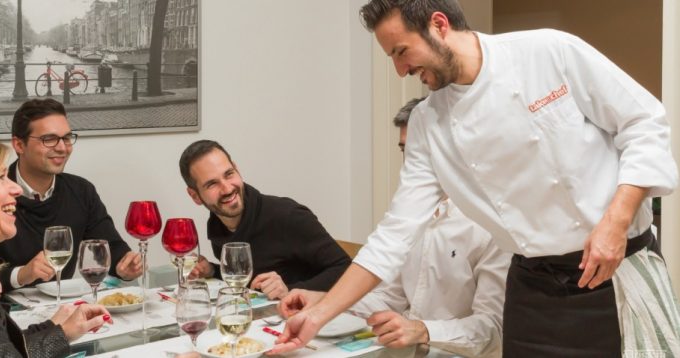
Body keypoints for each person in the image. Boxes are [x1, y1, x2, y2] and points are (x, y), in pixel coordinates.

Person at [271, 1, 680, 357]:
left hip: (612, 272)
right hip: (532, 291)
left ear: (439, 25)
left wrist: (617, 221)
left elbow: (644, 122)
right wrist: (318, 315)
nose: (400, 71)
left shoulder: (548, 52)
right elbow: (394, 235)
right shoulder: (427, 123)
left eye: (401, 51)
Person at [279, 98, 511, 357]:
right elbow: (389, 297)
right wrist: (325, 302)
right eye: (406, 151)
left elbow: (494, 329)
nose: (411, 162)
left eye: (422, 151)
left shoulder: (491, 223)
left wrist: (423, 330)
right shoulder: (410, 215)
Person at [0, 99, 142, 293]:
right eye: (49, 139)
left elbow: (110, 247)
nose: (62, 148)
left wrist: (126, 265)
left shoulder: (81, 191)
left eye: (67, 138)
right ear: (19, 144)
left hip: (62, 310)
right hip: (0, 314)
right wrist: (21, 275)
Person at [0, 133, 113, 357]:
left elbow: (6, 349)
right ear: (20, 144)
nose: (15, 188)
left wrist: (59, 330)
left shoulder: (80, 190)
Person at [179, 140, 351, 299]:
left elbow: (346, 268)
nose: (227, 188)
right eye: (212, 184)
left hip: (316, 320)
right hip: (268, 321)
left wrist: (289, 291)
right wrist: (212, 270)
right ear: (195, 196)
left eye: (229, 174)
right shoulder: (217, 225)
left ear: (237, 169)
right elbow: (248, 277)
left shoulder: (288, 215)